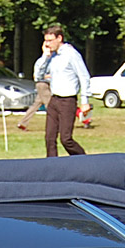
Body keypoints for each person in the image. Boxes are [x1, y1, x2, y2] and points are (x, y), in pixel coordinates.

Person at [42, 25, 91, 156]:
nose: (47, 44)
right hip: (54, 100)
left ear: (59, 38)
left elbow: (84, 76)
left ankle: (84, 161)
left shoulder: (71, 54)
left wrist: (85, 101)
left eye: (50, 40)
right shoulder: (52, 56)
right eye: (46, 40)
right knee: (49, 138)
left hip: (67, 100)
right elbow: (39, 75)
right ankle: (52, 167)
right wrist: (44, 57)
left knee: (66, 139)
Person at [17, 40, 53, 131]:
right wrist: (49, 76)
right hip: (43, 84)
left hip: (45, 84)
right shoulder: (43, 60)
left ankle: (22, 123)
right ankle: (57, 124)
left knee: (36, 105)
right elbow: (37, 76)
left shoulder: (51, 60)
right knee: (51, 105)